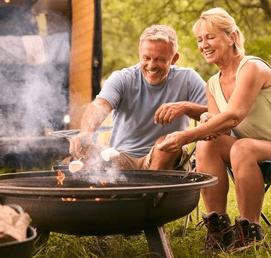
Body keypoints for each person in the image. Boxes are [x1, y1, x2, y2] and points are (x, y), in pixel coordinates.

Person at [157, 7, 271, 254]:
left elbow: (234, 116)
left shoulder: (252, 67)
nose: (204, 44)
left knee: (241, 146)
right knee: (209, 143)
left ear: (231, 37)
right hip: (254, 155)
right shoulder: (213, 83)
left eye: (210, 37)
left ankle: (250, 233)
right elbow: (219, 126)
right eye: (199, 39)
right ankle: (218, 229)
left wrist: (184, 136)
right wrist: (207, 120)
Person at [69, 25, 207, 171]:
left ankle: (151, 193)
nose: (151, 65)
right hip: (122, 156)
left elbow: (215, 115)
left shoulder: (188, 78)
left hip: (166, 157)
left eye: (160, 59)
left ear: (174, 58)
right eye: (146, 58)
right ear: (140, 54)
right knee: (91, 153)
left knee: (165, 143)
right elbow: (99, 106)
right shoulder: (122, 78)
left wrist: (186, 107)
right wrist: (86, 132)